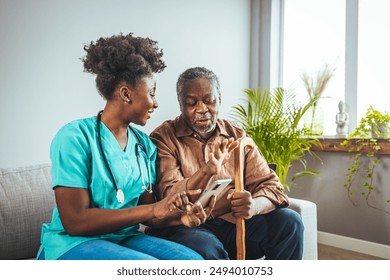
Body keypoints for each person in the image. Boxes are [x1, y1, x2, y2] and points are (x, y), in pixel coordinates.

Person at [36, 33, 208, 260]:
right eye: (152, 93)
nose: (156, 103)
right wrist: (154, 209)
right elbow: (75, 222)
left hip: (123, 238)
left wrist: (179, 216)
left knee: (193, 262)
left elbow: (150, 214)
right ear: (126, 93)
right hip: (71, 243)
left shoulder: (144, 145)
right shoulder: (74, 137)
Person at [148, 67, 304, 260]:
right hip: (186, 227)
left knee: (289, 222)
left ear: (219, 99)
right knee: (207, 247)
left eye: (208, 100)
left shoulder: (237, 136)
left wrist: (253, 206)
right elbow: (170, 197)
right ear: (180, 104)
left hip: (233, 224)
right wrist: (206, 171)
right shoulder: (163, 138)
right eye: (191, 103)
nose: (201, 109)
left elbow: (273, 187)